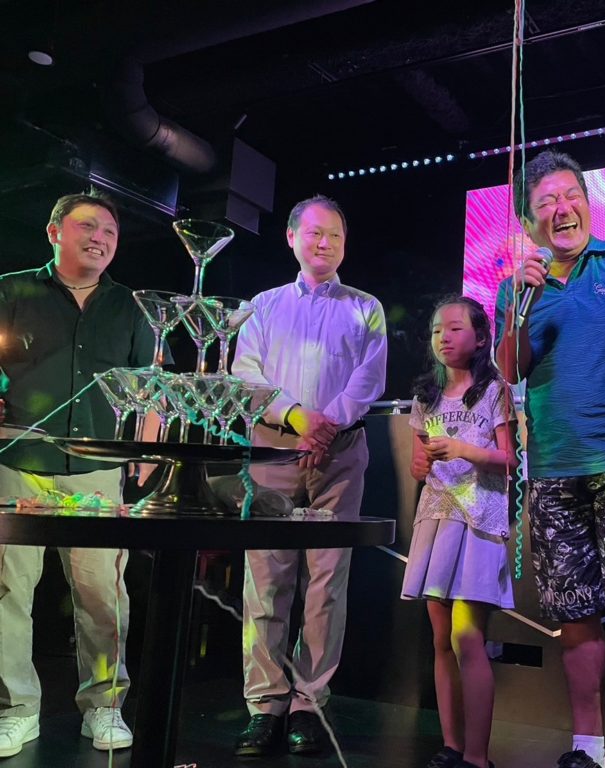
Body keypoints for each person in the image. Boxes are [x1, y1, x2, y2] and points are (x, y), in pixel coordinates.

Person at [495, 150, 605, 768]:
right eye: (546, 202)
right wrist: (520, 303)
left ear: (588, 204)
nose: (562, 209)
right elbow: (510, 368)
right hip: (552, 469)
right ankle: (588, 746)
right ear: (528, 222)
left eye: (570, 195)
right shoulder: (515, 287)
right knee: (574, 615)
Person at [231, 194, 387, 757]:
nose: (325, 243)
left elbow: (369, 377)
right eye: (315, 233)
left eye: (335, 235)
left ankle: (309, 704)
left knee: (326, 585)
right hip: (273, 451)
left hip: (339, 455)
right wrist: (298, 418)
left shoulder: (366, 307)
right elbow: (244, 373)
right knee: (266, 581)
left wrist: (324, 428)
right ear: (291, 237)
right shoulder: (263, 305)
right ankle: (265, 705)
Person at [0, 191, 154, 757]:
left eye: (110, 231)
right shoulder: (11, 290)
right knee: (7, 591)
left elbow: (150, 384)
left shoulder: (131, 306)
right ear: (54, 232)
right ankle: (15, 709)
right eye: (88, 226)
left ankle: (105, 706)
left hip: (98, 469)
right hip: (17, 462)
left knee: (102, 595)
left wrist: (147, 450)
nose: (100, 238)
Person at [402, 295, 516, 768]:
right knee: (440, 639)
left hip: (480, 521)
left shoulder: (495, 391)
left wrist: (463, 449)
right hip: (436, 521)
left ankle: (477, 756)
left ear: (481, 337)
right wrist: (423, 461)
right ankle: (451, 745)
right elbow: (418, 465)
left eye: (454, 329)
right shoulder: (425, 397)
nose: (443, 338)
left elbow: (509, 460)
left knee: (467, 637)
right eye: (436, 330)